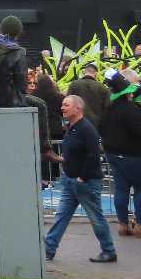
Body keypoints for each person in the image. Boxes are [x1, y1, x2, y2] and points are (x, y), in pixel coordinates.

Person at [44, 95, 117, 263]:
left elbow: (94, 154)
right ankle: (49, 248)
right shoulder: (72, 127)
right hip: (71, 181)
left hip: (86, 182)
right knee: (62, 215)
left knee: (95, 217)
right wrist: (60, 160)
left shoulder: (86, 129)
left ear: (78, 108)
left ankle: (109, 250)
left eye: (66, 105)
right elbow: (74, 153)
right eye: (62, 105)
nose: (62, 108)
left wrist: (82, 178)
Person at [101, 74, 141, 236]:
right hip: (133, 155)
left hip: (113, 155)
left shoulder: (108, 110)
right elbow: (138, 130)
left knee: (121, 189)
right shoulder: (131, 109)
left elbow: (101, 128)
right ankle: (139, 226)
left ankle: (122, 225)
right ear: (126, 93)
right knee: (140, 189)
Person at [66, 63, 111, 128]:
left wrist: (66, 123)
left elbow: (67, 104)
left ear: (84, 72)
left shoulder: (74, 85)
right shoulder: (102, 87)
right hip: (96, 125)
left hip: (76, 123)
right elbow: (108, 107)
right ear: (96, 73)